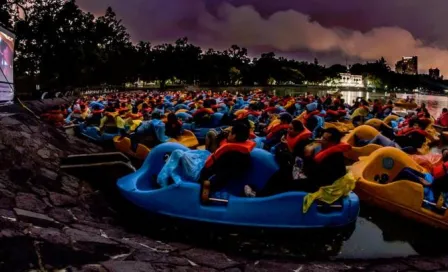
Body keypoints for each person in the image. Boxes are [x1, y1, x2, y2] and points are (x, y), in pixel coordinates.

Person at [200, 119, 255, 194]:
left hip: (213, 178)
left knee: (181, 155)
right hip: (223, 174)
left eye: (230, 133)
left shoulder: (230, 155)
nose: (228, 134)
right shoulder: (243, 152)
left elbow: (218, 175)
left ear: (234, 136)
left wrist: (203, 180)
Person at [298, 127, 351, 193]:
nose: (320, 140)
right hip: (317, 179)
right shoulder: (326, 150)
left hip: (324, 188)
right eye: (321, 137)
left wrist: (308, 157)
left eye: (324, 139)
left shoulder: (334, 157)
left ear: (333, 142)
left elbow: (312, 175)